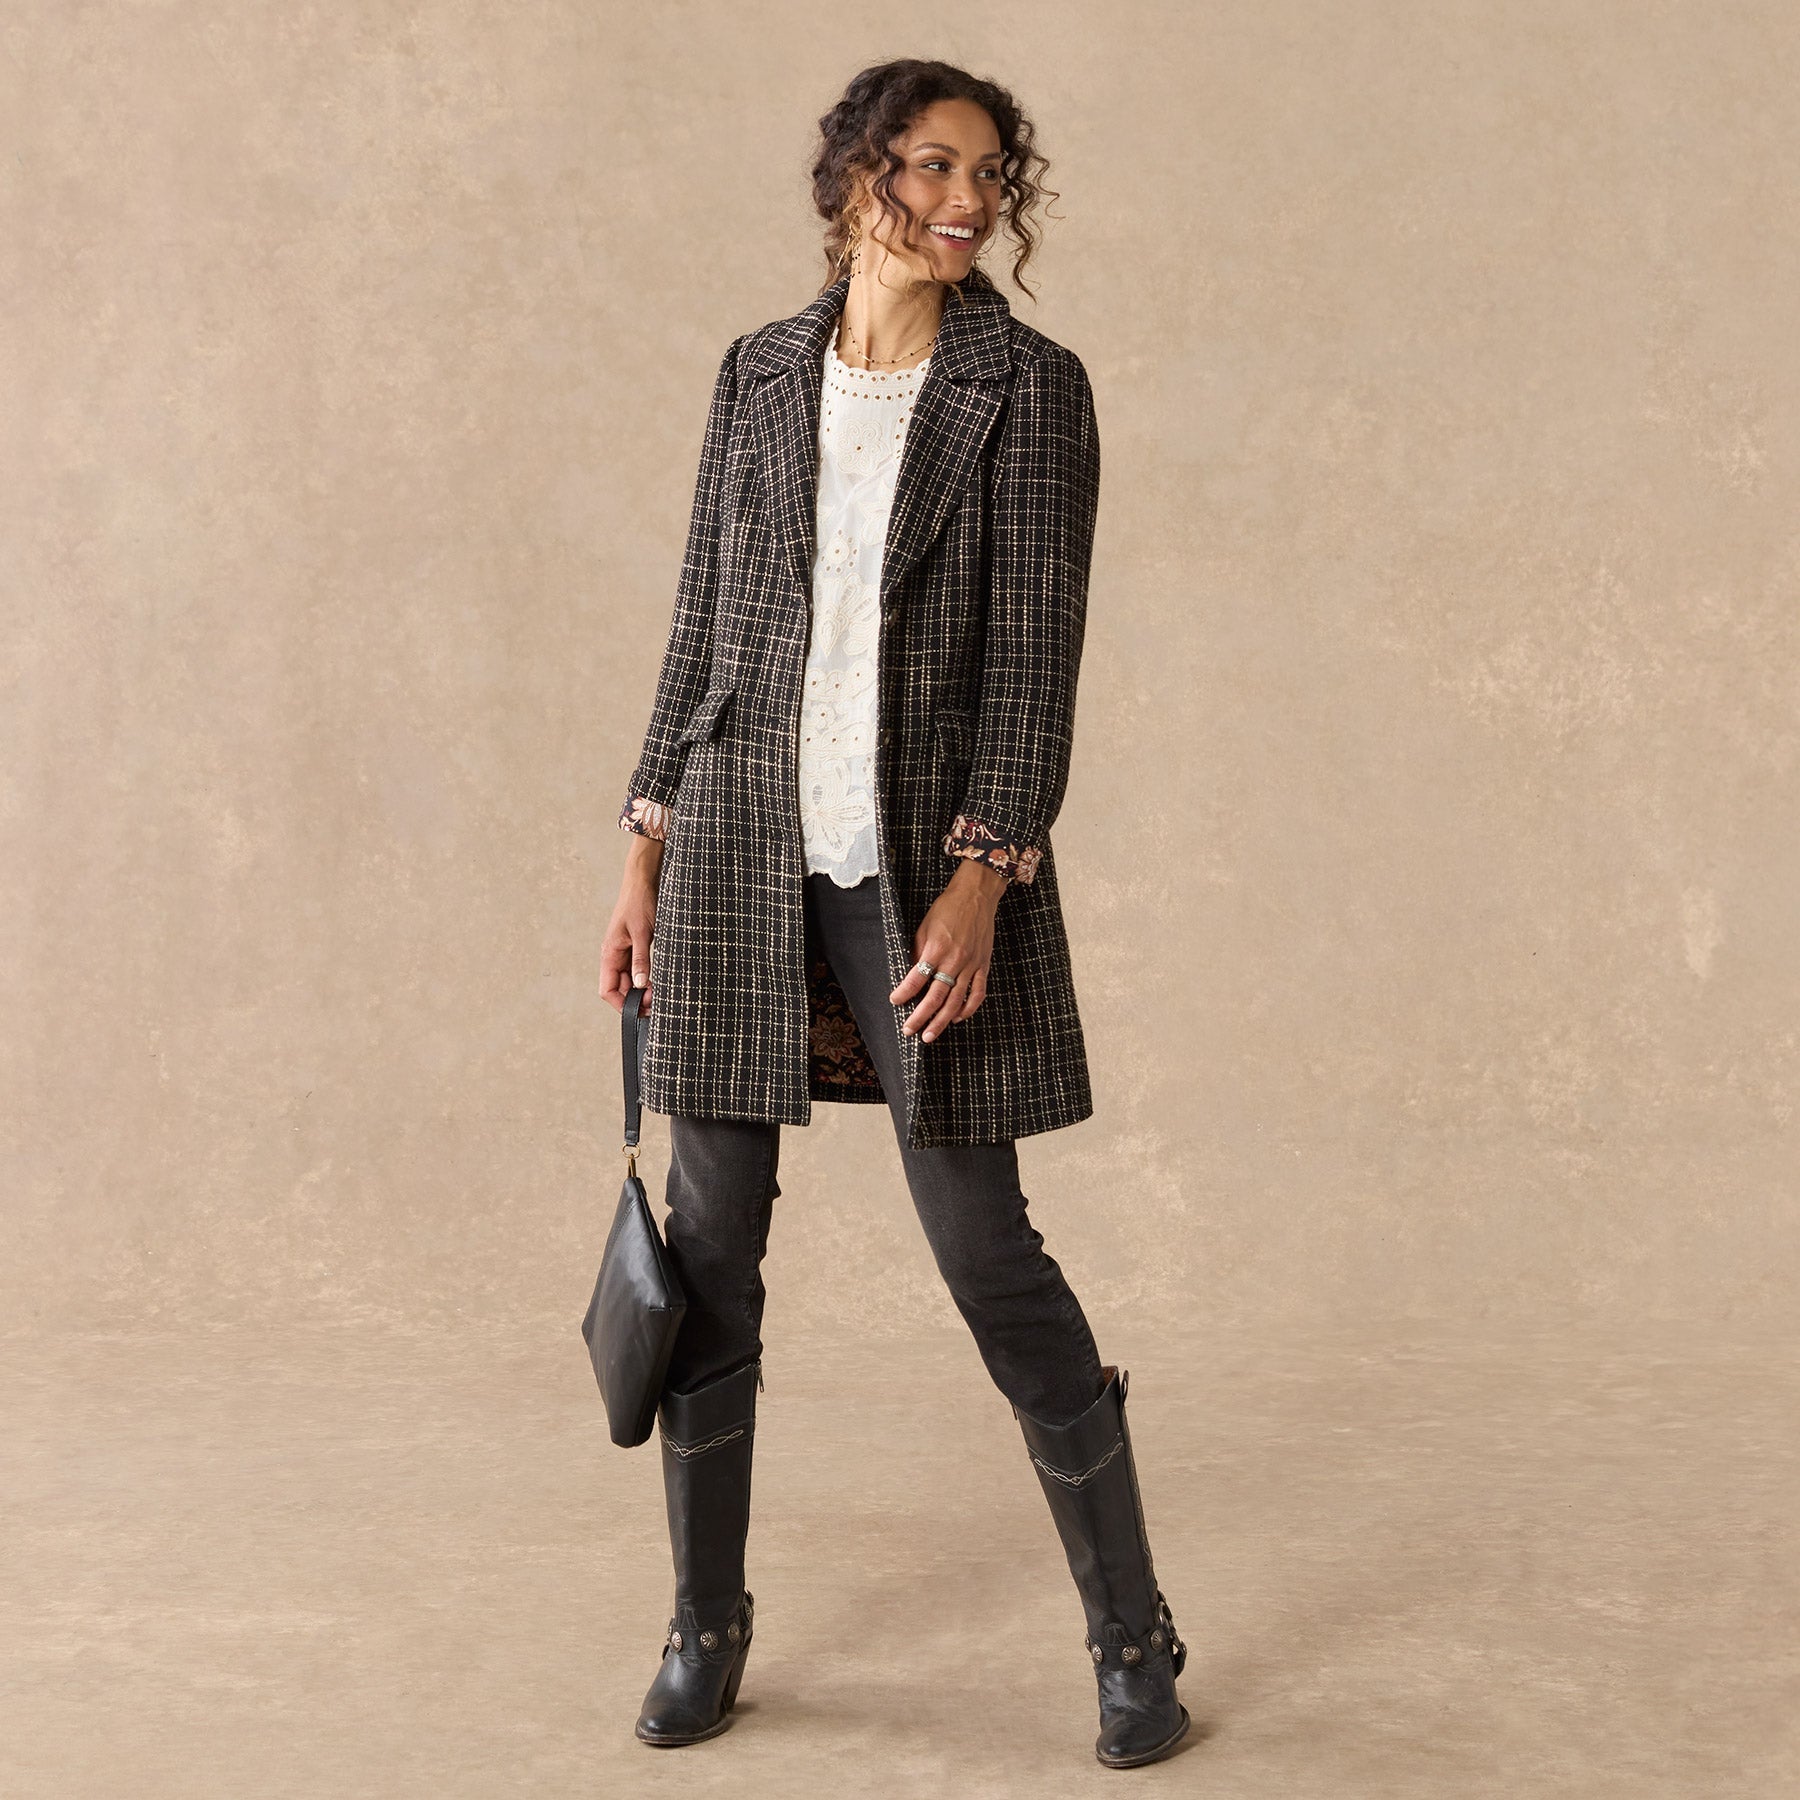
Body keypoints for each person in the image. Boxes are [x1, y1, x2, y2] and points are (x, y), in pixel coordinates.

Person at [598, 58, 1188, 1770]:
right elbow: (703, 621)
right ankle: (706, 1626)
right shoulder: (758, 373)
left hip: (921, 872)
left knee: (985, 1250)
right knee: (710, 1252)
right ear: (856, 176)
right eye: (930, 166)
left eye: (989, 173)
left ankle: (1133, 1637)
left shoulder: (1031, 390)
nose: (966, 199)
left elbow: (1035, 660)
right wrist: (641, 845)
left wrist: (988, 871)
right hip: (733, 858)